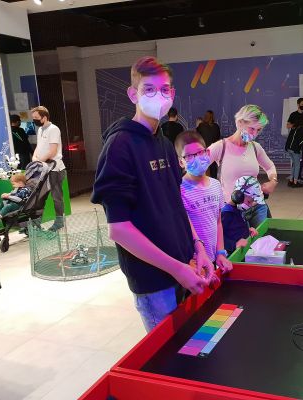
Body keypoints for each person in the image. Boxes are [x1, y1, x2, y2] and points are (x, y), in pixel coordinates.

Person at [91, 56, 214, 332]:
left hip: (185, 267)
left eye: (164, 89)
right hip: (154, 282)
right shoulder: (120, 146)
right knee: (168, 350)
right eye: (149, 89)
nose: (158, 96)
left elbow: (176, 205)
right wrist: (176, 269)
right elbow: (119, 229)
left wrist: (198, 247)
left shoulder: (165, 144)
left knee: (191, 342)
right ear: (133, 94)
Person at [208, 104, 277, 228]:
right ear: (240, 123)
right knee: (239, 240)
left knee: (262, 239)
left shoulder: (255, 147)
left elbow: (270, 166)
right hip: (233, 210)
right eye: (252, 128)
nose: (255, 134)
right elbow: (197, 167)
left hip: (258, 207)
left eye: (258, 130)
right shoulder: (221, 147)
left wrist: (273, 181)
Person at [175, 130, 232, 272]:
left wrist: (220, 253)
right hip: (194, 261)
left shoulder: (216, 185)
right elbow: (182, 229)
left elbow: (218, 222)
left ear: (207, 153)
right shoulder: (179, 190)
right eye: (189, 156)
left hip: (212, 257)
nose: (197, 158)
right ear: (181, 162)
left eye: (200, 152)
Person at [31, 106, 66, 232]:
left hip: (55, 169)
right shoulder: (40, 129)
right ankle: (36, 222)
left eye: (36, 118)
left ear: (44, 117)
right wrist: (34, 157)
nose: (34, 120)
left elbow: (53, 151)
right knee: (40, 196)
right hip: (43, 168)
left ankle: (59, 221)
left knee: (56, 196)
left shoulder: (53, 129)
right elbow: (39, 146)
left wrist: (39, 161)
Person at [221, 176, 260, 254]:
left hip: (241, 250)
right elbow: (218, 236)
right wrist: (234, 244)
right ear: (238, 196)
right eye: (249, 202)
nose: (250, 205)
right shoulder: (226, 213)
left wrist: (248, 231)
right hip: (231, 254)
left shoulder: (238, 209)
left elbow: (235, 228)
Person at [286, 98, 303, 182]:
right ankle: (294, 180)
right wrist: (295, 124)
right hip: (294, 142)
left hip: (302, 140)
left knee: (300, 160)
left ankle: (297, 177)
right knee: (296, 162)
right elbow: (288, 126)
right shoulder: (293, 114)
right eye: (302, 104)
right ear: (298, 104)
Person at [197, 110, 221, 178]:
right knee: (213, 169)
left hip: (204, 151)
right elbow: (218, 137)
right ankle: (214, 182)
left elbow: (197, 136)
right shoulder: (216, 126)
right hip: (214, 150)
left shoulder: (201, 126)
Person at [285, 118, 303, 188]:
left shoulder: (293, 129)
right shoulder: (301, 129)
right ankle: (295, 182)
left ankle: (291, 180)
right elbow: (302, 140)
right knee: (297, 166)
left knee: (294, 165)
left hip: (289, 149)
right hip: (295, 150)